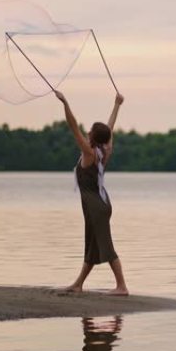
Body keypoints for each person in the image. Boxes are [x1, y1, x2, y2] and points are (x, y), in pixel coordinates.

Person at [54, 89, 129, 296]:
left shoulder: (89, 153)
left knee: (105, 244)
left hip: (96, 206)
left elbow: (72, 126)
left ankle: (122, 286)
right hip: (97, 205)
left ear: (93, 138)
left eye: (89, 132)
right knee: (92, 246)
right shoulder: (105, 149)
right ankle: (78, 284)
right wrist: (117, 105)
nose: (86, 132)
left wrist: (65, 102)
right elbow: (110, 129)